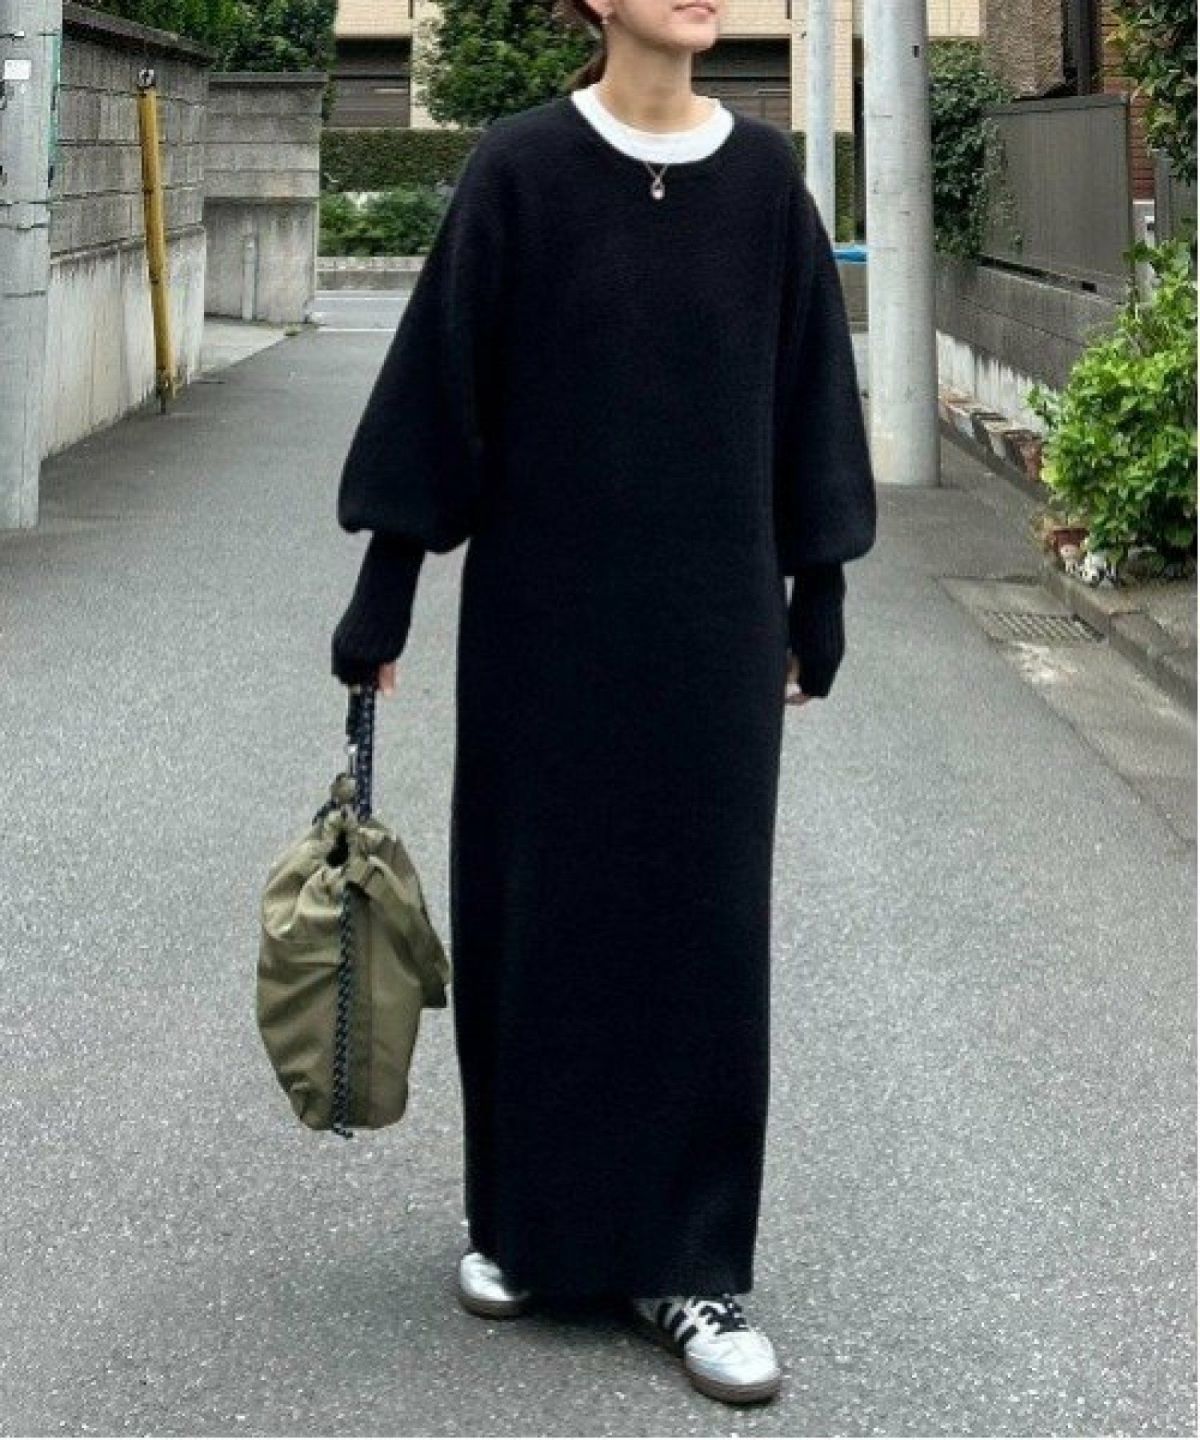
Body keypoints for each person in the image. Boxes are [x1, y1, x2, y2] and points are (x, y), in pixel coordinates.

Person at [329, 0, 877, 1408]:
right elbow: (443, 381)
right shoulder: (519, 170)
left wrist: (818, 589)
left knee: (701, 926)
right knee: (538, 913)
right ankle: (525, 1223)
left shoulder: (764, 184)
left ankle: (693, 1262)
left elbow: (811, 391)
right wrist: (386, 589)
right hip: (541, 622)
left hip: (711, 631)